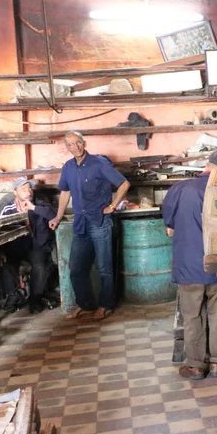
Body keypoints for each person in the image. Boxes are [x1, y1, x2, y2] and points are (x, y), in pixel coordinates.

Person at [162, 149, 217, 380]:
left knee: (192, 314)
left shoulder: (181, 189)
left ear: (207, 165)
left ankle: (195, 365)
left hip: (189, 265)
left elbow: (170, 229)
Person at [49, 132, 131, 320]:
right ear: (67, 148)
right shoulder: (68, 167)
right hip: (81, 224)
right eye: (71, 144)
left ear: (84, 143)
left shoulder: (99, 163)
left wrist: (112, 206)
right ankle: (86, 305)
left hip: (100, 222)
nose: (75, 147)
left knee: (104, 268)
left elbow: (124, 184)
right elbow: (64, 193)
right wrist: (58, 216)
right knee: (76, 269)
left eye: (78, 142)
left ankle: (106, 305)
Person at [0, 177, 57, 313]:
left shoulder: (39, 202)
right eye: (23, 189)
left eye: (29, 189)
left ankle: (35, 300)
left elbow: (54, 215)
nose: (28, 192)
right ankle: (14, 296)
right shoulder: (7, 206)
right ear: (15, 192)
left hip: (36, 245)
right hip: (16, 246)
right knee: (5, 264)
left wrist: (33, 208)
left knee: (40, 265)